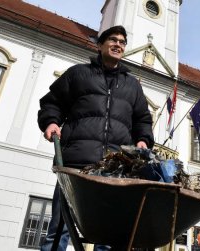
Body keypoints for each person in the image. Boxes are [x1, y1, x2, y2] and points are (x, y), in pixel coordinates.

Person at [37, 25, 154, 251]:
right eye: (112, 39)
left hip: (113, 168)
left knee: (108, 235)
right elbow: (52, 102)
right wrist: (51, 121)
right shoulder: (78, 74)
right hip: (75, 164)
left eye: (122, 41)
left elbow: (143, 119)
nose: (118, 44)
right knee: (60, 227)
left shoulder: (132, 85)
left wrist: (143, 140)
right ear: (100, 45)